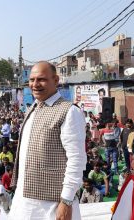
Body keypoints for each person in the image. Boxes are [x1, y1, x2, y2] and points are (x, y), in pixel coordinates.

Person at [9, 61, 86, 220]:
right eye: (32, 80)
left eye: (41, 79)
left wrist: (66, 201)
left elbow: (76, 159)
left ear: (56, 80)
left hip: (51, 206)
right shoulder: (34, 107)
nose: (35, 84)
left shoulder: (69, 111)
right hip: (24, 201)